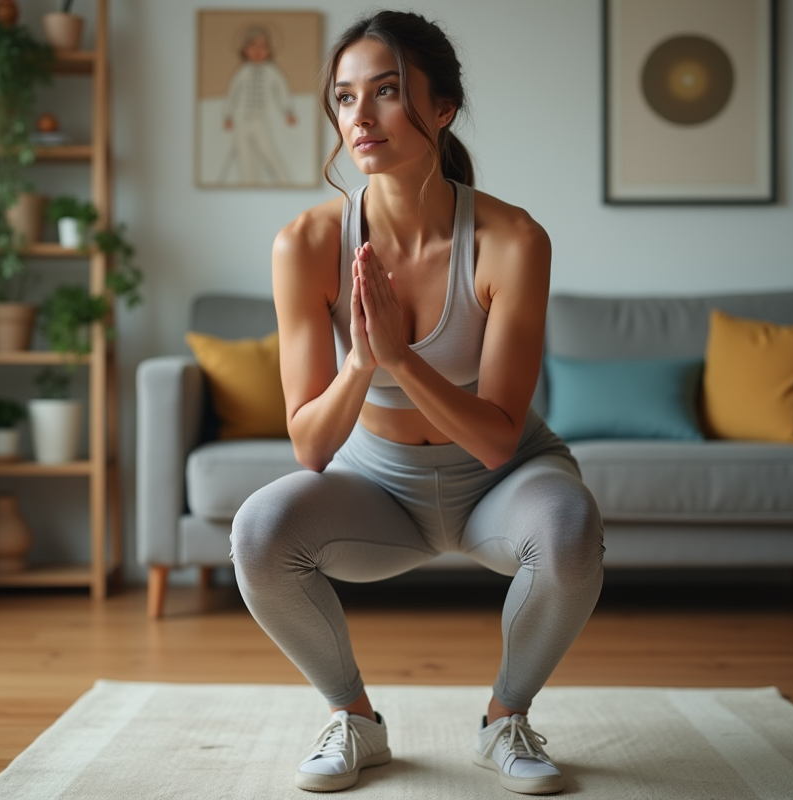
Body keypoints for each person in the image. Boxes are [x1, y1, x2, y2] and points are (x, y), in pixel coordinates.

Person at [230, 10, 604, 795]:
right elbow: (310, 445)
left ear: (442, 108)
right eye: (343, 98)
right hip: (376, 485)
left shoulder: (511, 241)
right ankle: (354, 720)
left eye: (387, 92)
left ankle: (505, 718)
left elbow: (500, 439)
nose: (359, 118)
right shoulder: (304, 245)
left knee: (570, 528)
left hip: (501, 483)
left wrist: (401, 357)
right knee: (259, 531)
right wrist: (365, 364)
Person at [222, 26, 297, 185]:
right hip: (242, 121)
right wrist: (228, 115)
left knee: (268, 151)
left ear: (269, 50)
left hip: (260, 121)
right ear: (245, 50)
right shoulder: (242, 72)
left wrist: (287, 111)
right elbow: (233, 95)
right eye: (252, 46)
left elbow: (281, 91)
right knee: (244, 154)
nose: (257, 51)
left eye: (262, 47)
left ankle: (284, 182)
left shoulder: (272, 71)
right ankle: (250, 183)